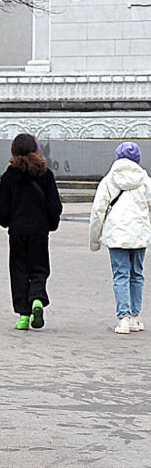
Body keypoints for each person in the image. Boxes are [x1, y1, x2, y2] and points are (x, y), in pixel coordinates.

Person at [0, 133, 63, 330]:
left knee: (19, 271)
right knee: (39, 269)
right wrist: (50, 223)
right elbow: (55, 206)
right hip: (39, 231)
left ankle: (24, 316)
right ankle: (38, 299)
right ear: (36, 150)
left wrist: (5, 220)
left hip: (17, 232)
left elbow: (3, 208)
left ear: (13, 152)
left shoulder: (9, 176)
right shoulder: (46, 175)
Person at [89, 142, 151, 334]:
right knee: (137, 274)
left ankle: (123, 318)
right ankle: (136, 317)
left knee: (121, 275)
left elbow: (98, 211)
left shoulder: (109, 180)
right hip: (139, 234)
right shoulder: (146, 180)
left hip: (116, 235)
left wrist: (94, 239)